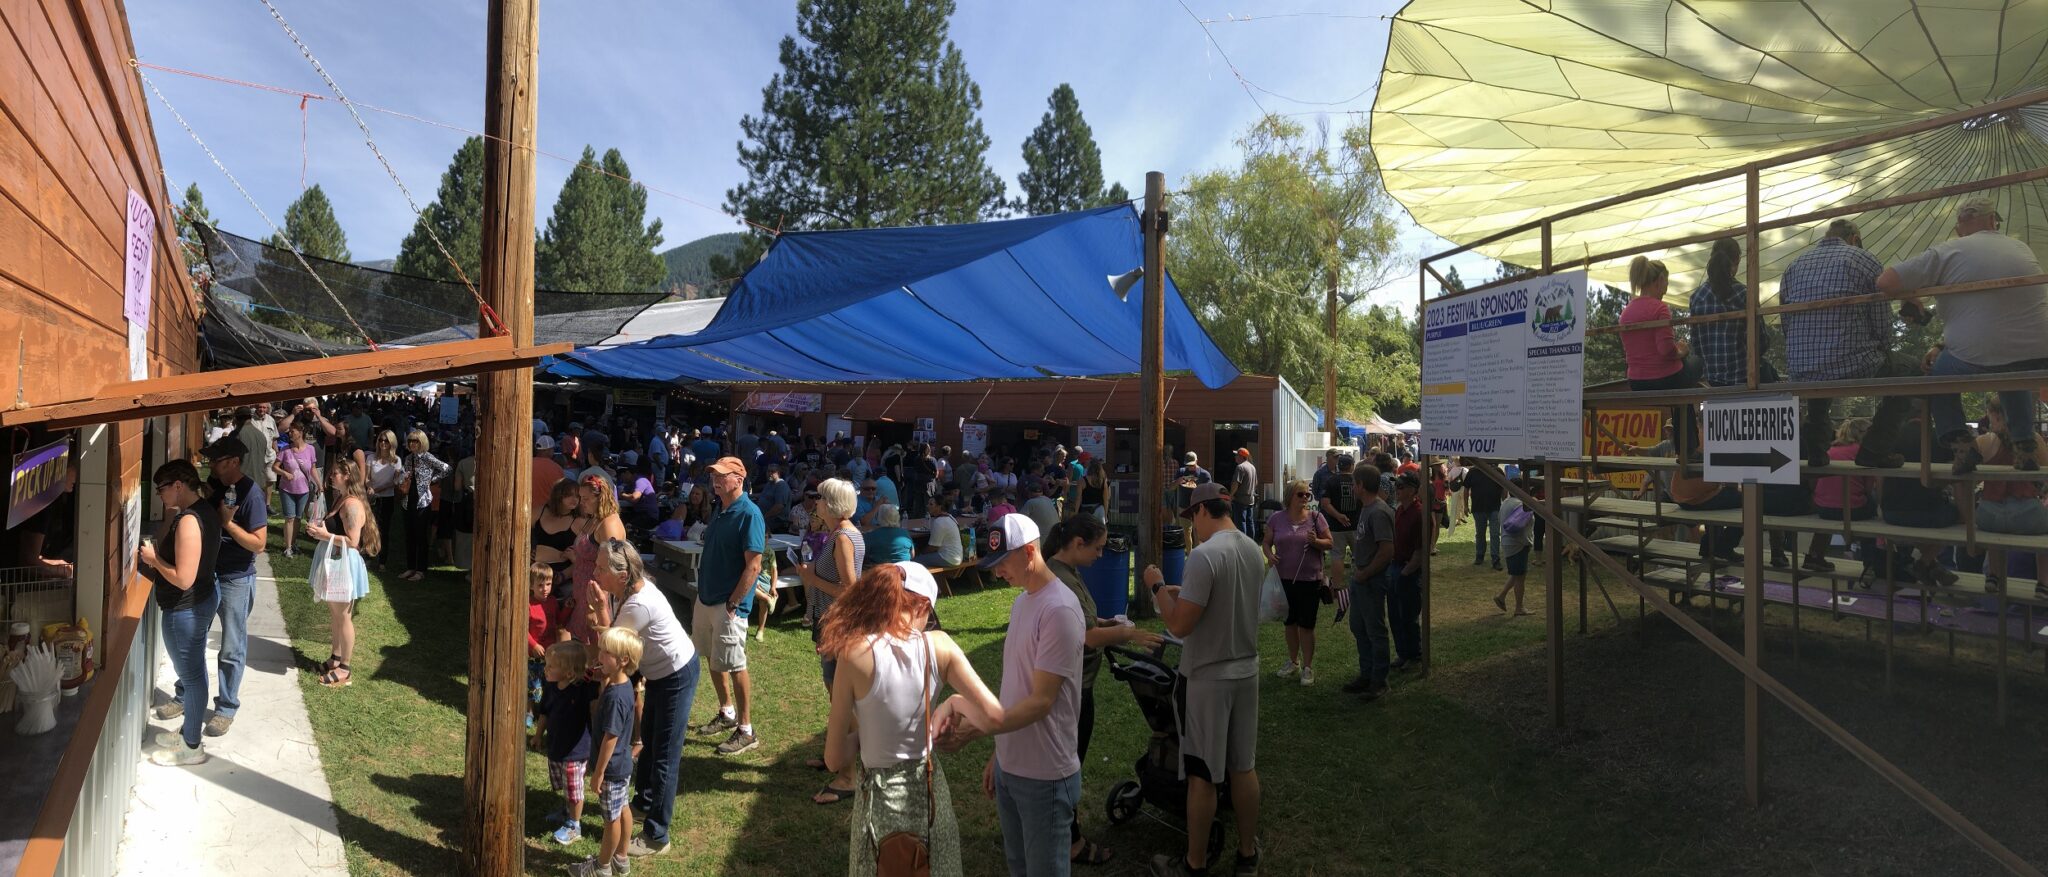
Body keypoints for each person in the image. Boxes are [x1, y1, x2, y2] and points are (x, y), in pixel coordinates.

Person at [819, 562, 1004, 877]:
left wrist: (866, 734)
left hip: (877, 802)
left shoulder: (853, 654)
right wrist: (955, 703)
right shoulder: (939, 647)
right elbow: (994, 717)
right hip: (928, 793)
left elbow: (835, 760)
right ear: (922, 605)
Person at [938, 513, 1083, 877]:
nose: (996, 572)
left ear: (1030, 552)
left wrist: (983, 728)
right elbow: (1016, 687)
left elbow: (1041, 701)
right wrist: (1000, 754)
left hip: (1045, 774)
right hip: (1012, 765)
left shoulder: (1059, 610)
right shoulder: (1022, 602)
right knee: (1019, 867)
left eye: (1003, 562)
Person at [1141, 482, 1263, 877]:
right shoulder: (1252, 548)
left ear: (1200, 512)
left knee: (1202, 774)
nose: (1192, 526)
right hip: (1247, 670)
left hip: (1209, 677)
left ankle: (1193, 863)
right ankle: (1247, 854)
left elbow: (1179, 623)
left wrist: (1157, 586)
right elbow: (1222, 600)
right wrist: (1182, 590)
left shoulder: (1204, 556)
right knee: (1242, 768)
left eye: (1191, 517)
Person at [1882, 197, 2048, 472]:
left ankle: (1961, 444)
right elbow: (1992, 318)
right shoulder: (2021, 248)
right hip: (2037, 353)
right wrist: (1940, 344)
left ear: (1960, 224)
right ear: (1994, 221)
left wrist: (1911, 295)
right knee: (2011, 371)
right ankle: (2024, 445)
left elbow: (1886, 282)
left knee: (1937, 377)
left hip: (1977, 354)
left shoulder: (1949, 251)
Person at [1044, 515, 1162, 867]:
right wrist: (1126, 635)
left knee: (1067, 764)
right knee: (1067, 767)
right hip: (1070, 689)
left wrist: (1108, 623)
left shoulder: (1066, 571)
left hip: (1077, 685)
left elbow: (1084, 623)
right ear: (1077, 544)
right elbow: (1085, 636)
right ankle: (1071, 842)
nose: (1100, 554)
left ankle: (1061, 831)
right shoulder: (1059, 578)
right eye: (1097, 548)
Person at [593, 540, 700, 860]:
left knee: (665, 754)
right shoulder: (629, 593)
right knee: (652, 743)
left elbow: (613, 648)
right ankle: (642, 802)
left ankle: (656, 834)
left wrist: (599, 609)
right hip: (661, 675)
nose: (596, 573)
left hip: (676, 676)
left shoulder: (636, 604)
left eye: (601, 569)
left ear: (623, 575)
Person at [1780, 219, 1915, 468]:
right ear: (1854, 238)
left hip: (1802, 368)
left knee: (1818, 376)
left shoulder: (1794, 265)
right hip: (1850, 363)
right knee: (1911, 370)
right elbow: (1882, 323)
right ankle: (1874, 450)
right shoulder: (1862, 258)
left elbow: (1786, 320)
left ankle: (1817, 453)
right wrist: (1882, 350)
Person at [142, 459, 222, 767]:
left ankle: (191, 748)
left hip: (185, 608)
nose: (159, 495)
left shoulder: (189, 521)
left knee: (191, 676)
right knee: (194, 672)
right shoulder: (201, 511)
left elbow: (183, 578)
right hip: (199, 601)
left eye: (161, 489)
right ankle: (189, 732)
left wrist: (153, 561)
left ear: (178, 485)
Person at [191, 436, 268, 738]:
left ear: (234, 462)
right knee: (194, 637)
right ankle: (186, 694)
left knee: (232, 647)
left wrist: (227, 524)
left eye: (217, 460)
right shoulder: (217, 485)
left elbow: (259, 544)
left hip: (236, 577)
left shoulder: (252, 494)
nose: (211, 464)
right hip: (207, 574)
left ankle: (225, 708)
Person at [796, 477, 865, 804]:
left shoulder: (843, 538)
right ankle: (837, 758)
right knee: (839, 699)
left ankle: (849, 775)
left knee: (842, 702)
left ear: (833, 504)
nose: (816, 503)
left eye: (820, 498)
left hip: (839, 627)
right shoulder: (842, 534)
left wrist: (811, 578)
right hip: (834, 626)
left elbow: (852, 591)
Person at [692, 456, 766, 757]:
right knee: (713, 658)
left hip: (727, 604)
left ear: (740, 478)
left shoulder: (749, 513)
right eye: (714, 475)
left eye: (723, 475)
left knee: (736, 664)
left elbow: (755, 565)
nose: (716, 480)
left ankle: (746, 730)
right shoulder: (721, 510)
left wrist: (734, 603)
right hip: (708, 598)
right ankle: (727, 712)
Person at [573, 625, 642, 877]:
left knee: (610, 819)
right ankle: (621, 859)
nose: (599, 656)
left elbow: (610, 738)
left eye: (605, 653)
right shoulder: (622, 686)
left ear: (623, 660)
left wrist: (598, 773)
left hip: (611, 769)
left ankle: (601, 867)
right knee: (623, 809)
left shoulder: (615, 697)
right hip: (623, 765)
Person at [305, 458, 377, 689]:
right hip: (334, 562)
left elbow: (353, 542)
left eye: (335, 473)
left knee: (343, 616)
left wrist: (324, 536)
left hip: (344, 565)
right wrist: (320, 531)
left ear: (347, 475)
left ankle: (345, 667)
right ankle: (335, 658)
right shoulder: (341, 498)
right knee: (335, 614)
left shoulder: (352, 505)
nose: (331, 476)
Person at [1264, 478, 1331, 686]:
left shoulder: (1315, 518)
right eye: (1300, 494)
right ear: (1290, 496)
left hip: (1310, 579)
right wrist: (1269, 555)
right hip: (1284, 578)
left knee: (1306, 624)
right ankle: (1293, 661)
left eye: (1307, 495)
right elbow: (1266, 542)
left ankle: (1308, 667)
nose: (1305, 498)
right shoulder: (1276, 519)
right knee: (1289, 622)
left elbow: (1329, 542)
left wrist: (1316, 541)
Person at [531, 640, 596, 846]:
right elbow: (545, 713)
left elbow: (597, 690)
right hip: (556, 746)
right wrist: (538, 735)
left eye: (551, 666)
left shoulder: (581, 690)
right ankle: (567, 811)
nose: (545, 669)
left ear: (568, 673)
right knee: (565, 785)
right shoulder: (551, 687)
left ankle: (574, 825)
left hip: (576, 751)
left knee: (574, 789)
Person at [1689, 238, 1776, 387]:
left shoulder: (1697, 297)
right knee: (1771, 375)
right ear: (1737, 261)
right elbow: (1761, 342)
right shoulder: (1744, 294)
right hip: (1743, 379)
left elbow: (1696, 344)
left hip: (1712, 381)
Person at [1620, 255, 1703, 392]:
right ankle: (1684, 412)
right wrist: (1682, 351)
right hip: (1664, 379)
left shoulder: (1625, 313)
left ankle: (1684, 410)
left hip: (1636, 382)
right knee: (1698, 362)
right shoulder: (1660, 308)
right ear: (1660, 280)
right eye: (1666, 284)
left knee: (1683, 377)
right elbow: (1666, 350)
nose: (1666, 289)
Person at [1807, 418, 1880, 572]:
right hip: (1852, 509)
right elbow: (1868, 488)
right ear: (1862, 434)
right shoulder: (1863, 454)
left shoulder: (1830, 451)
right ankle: (1871, 561)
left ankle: (1814, 555)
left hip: (1823, 508)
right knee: (1874, 509)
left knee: (1830, 509)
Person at [568, 473, 629, 644]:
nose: (582, 502)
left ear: (600, 497)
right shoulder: (594, 519)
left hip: (598, 599)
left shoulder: (609, 525)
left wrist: (595, 606)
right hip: (584, 594)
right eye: (581, 498)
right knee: (585, 654)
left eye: (586, 498)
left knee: (598, 651)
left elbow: (613, 568)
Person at [396, 429, 451, 581]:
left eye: (416, 441)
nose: (412, 444)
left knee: (421, 536)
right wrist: (403, 476)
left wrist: (432, 479)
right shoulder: (408, 458)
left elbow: (446, 468)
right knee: (410, 535)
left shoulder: (428, 457)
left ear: (422, 443)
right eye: (410, 441)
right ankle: (411, 567)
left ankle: (421, 569)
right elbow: (402, 476)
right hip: (408, 500)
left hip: (422, 501)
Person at [1388, 472, 1429, 674]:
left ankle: (1414, 655)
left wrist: (1405, 572)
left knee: (1409, 615)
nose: (1398, 490)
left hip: (1408, 570)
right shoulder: (1399, 511)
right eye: (1397, 487)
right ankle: (1403, 653)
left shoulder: (1420, 513)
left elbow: (1421, 550)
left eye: (1401, 487)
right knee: (1395, 615)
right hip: (1395, 566)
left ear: (1413, 490)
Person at [271, 424, 318, 557]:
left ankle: (293, 543)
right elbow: (275, 467)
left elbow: (313, 468)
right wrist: (284, 473)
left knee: (298, 518)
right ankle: (288, 547)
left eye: (292, 431)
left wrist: (319, 484)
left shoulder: (310, 449)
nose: (290, 434)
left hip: (304, 489)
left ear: (301, 432)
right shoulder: (285, 449)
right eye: (289, 432)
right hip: (287, 489)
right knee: (289, 518)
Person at [534, 479, 581, 599]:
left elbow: (583, 560)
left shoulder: (579, 522)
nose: (574, 499)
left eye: (577, 495)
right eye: (569, 495)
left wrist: (562, 576)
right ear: (559, 495)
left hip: (560, 579)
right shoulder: (541, 511)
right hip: (534, 575)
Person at [1492, 482, 1533, 616]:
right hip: (1518, 543)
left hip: (1507, 542)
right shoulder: (1521, 505)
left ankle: (1502, 597)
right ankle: (1519, 607)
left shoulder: (1506, 503)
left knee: (1517, 573)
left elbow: (1500, 519)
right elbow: (1526, 521)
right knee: (1520, 577)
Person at [366, 429, 403, 569]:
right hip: (372, 498)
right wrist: (369, 487)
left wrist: (378, 489)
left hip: (387, 498)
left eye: (386, 440)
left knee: (384, 529)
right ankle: (369, 556)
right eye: (381, 440)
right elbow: (367, 478)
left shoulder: (396, 460)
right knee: (370, 528)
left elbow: (395, 481)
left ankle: (382, 560)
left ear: (391, 442)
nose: (383, 443)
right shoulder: (371, 458)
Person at [1461, 456, 1505, 570]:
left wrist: (1504, 502)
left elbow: (1504, 487)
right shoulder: (1473, 472)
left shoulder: (1497, 471)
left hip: (1495, 507)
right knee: (1480, 533)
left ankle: (1495, 559)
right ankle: (1479, 556)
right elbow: (1466, 489)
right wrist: (1465, 506)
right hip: (1478, 508)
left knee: (1495, 534)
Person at [912, 495, 963, 568]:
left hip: (948, 558)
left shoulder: (939, 521)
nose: (927, 506)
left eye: (931, 504)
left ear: (939, 507)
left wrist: (921, 553)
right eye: (928, 503)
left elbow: (933, 547)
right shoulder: (950, 517)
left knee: (914, 561)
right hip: (957, 556)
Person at [621, 461, 662, 530]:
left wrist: (623, 495)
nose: (621, 477)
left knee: (628, 528)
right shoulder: (630, 484)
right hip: (639, 513)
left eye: (622, 475)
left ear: (628, 473)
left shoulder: (640, 480)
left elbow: (635, 498)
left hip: (648, 515)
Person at [533, 434, 567, 511]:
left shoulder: (526, 465)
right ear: (549, 450)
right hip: (548, 514)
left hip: (527, 512)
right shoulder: (557, 469)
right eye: (553, 449)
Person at [1230, 448, 1259, 537]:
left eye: (1237, 455)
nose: (1235, 457)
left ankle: (1243, 543)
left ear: (1241, 456)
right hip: (1250, 500)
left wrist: (1231, 495)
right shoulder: (1252, 467)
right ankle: (1251, 543)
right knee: (1250, 522)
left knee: (1241, 522)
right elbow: (1256, 483)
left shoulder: (1240, 467)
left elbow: (1236, 483)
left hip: (1240, 500)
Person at [1022, 481, 1061, 545]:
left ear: (1030, 493)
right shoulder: (1048, 500)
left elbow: (1020, 520)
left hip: (1043, 541)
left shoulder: (1030, 502)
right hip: (1056, 538)